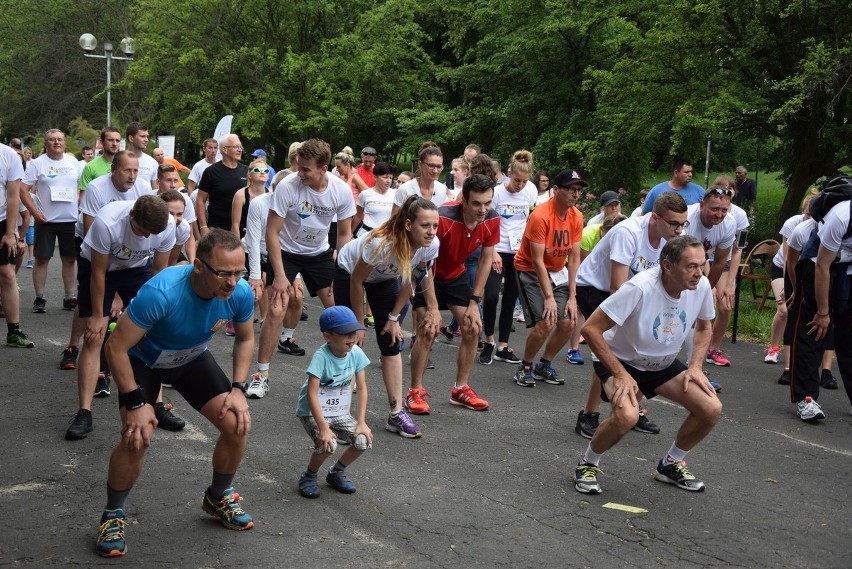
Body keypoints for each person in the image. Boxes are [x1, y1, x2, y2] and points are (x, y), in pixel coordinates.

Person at [94, 230, 257, 557]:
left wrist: (238, 389)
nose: (232, 282)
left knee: (237, 422)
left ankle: (217, 496)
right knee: (136, 436)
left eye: (239, 272)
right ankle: (112, 514)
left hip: (191, 358)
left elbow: (245, 338)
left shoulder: (239, 292)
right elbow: (115, 347)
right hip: (143, 362)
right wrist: (137, 401)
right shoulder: (162, 292)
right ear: (199, 266)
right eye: (223, 273)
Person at [574, 235, 721, 495]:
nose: (699, 273)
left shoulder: (702, 286)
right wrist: (619, 374)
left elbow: (704, 326)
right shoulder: (639, 287)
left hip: (661, 363)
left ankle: (671, 463)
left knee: (711, 408)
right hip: (621, 360)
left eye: (702, 265)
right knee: (627, 417)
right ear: (667, 266)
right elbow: (591, 329)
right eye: (691, 266)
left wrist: (695, 366)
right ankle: (588, 463)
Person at [573, 192, 689, 437]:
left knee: (641, 346)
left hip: (630, 292)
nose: (679, 230)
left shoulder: (670, 240)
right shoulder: (629, 233)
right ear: (655, 218)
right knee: (608, 348)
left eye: (683, 224)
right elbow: (617, 287)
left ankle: (631, 409)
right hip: (596, 287)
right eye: (674, 224)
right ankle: (589, 414)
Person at [65, 196, 177, 441]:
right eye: (142, 232)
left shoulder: (168, 224)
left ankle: (156, 404)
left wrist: (158, 310)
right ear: (132, 217)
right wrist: (97, 315)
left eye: (152, 234)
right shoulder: (108, 223)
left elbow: (159, 270)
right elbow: (97, 273)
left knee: (151, 337)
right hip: (99, 270)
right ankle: (84, 412)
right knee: (95, 337)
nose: (147, 238)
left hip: (137, 270)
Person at [335, 196, 440, 438]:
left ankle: (396, 413)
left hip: (385, 279)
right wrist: (358, 324)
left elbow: (411, 280)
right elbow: (357, 281)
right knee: (347, 340)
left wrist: (393, 318)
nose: (431, 232)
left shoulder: (431, 246)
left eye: (435, 226)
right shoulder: (381, 243)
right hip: (349, 272)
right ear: (408, 225)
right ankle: (338, 412)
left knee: (391, 341)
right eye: (425, 225)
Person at [406, 174, 499, 414]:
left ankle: (460, 388)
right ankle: (414, 391)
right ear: (464, 201)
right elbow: (423, 260)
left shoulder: (492, 219)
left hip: (455, 275)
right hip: (427, 272)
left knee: (472, 327)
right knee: (428, 329)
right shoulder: (444, 218)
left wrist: (474, 302)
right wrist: (434, 307)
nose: (483, 209)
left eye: (487, 203)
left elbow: (486, 259)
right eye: (477, 203)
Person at [59, 151, 158, 372]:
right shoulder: (97, 188)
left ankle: (121, 359)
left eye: (135, 170)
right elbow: (90, 230)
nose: (132, 176)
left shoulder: (143, 188)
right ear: (114, 170)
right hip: (95, 244)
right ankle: (74, 345)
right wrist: (112, 292)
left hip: (130, 251)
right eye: (127, 170)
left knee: (132, 308)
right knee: (91, 303)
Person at [787, 178, 852, 422]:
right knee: (814, 328)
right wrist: (824, 312)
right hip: (818, 264)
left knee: (848, 333)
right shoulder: (840, 216)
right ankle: (806, 399)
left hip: (847, 268)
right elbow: (823, 266)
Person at [512, 168, 584, 388]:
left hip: (557, 270)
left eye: (578, 190)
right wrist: (549, 297)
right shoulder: (540, 216)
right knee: (546, 320)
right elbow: (536, 260)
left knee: (568, 322)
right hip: (530, 270)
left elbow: (573, 259)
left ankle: (544, 365)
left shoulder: (577, 217)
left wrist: (573, 296)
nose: (575, 194)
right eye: (570, 189)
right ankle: (525, 366)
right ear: (555, 190)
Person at [296, 306, 371, 499]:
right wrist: (323, 428)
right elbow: (312, 394)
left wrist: (362, 422)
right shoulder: (321, 357)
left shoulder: (356, 353)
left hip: (339, 411)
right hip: (313, 411)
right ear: (327, 336)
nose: (351, 337)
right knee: (328, 444)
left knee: (363, 440)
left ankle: (336, 472)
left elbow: (361, 387)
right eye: (345, 333)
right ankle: (309, 475)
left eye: (353, 332)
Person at [480, 150, 537, 365]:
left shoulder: (530, 191)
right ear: (509, 172)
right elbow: (486, 224)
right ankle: (488, 341)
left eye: (524, 181)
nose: (520, 185)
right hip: (496, 249)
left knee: (510, 299)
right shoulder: (496, 193)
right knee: (492, 296)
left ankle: (503, 345)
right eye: (516, 180)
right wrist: (492, 250)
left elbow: (528, 219)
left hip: (518, 252)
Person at [19, 129, 80, 314]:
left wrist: (79, 203)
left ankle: (69, 297)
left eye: (60, 139)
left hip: (70, 219)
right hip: (46, 220)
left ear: (64, 143)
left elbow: (82, 187)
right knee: (42, 259)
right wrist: (34, 213)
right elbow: (23, 190)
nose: (56, 142)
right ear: (45, 143)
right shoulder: (38, 164)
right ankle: (40, 298)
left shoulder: (74, 162)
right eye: (52, 140)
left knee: (69, 259)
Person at [680, 188, 736, 370]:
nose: (719, 214)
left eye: (724, 210)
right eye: (714, 209)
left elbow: (720, 262)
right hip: (677, 257)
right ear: (702, 205)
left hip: (702, 260)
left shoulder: (729, 224)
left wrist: (705, 290)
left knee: (700, 312)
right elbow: (683, 258)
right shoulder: (687, 218)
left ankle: (694, 368)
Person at [565, 213, 628, 365]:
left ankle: (605, 356)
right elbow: (583, 265)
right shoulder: (589, 234)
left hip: (605, 280)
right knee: (582, 313)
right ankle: (573, 349)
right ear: (603, 231)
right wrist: (572, 294)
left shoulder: (627, 239)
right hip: (587, 278)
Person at [705, 175, 750, 367]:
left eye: (729, 189)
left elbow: (738, 249)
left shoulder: (739, 216)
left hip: (725, 262)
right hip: (706, 259)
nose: (725, 192)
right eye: (720, 188)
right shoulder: (708, 211)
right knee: (708, 302)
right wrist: (711, 284)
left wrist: (731, 282)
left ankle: (713, 348)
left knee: (726, 305)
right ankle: (698, 346)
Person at [0, 142, 34, 348]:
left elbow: (13, 196)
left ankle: (14, 331)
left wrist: (11, 233)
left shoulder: (8, 155)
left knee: (8, 274)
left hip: (2, 222)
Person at [196, 134, 248, 234]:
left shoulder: (246, 171)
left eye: (240, 147)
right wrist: (203, 226)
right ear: (224, 149)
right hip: (218, 229)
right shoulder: (211, 172)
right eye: (236, 147)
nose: (240, 150)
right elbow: (200, 200)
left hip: (243, 228)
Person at [392, 145, 450, 212]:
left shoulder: (442, 189)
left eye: (439, 167)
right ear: (420, 164)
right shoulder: (405, 190)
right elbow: (394, 220)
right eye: (431, 166)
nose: (435, 171)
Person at [354, 162, 397, 237]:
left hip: (388, 236)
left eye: (391, 178)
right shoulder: (365, 194)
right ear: (375, 177)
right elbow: (357, 216)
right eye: (385, 177)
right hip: (367, 234)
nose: (389, 181)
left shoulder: (396, 194)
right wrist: (349, 235)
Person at [79, 128, 123, 201]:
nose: (114, 144)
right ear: (101, 142)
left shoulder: (125, 165)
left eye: (117, 141)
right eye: (110, 140)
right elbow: (83, 198)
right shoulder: (90, 167)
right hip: (97, 211)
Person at [125, 122, 159, 189]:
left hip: (145, 199)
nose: (146, 140)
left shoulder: (153, 162)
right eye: (142, 136)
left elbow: (155, 191)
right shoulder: (118, 160)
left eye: (147, 136)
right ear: (131, 138)